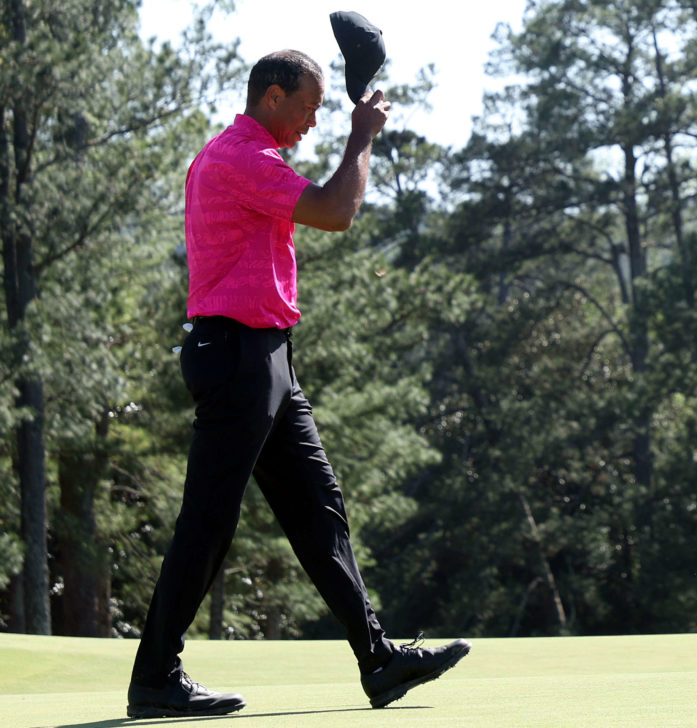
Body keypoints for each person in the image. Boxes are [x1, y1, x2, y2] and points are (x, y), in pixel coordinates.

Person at [125, 50, 470, 719]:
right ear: (273, 97)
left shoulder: (246, 157)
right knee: (210, 520)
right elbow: (338, 211)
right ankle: (154, 677)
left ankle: (377, 660)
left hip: (265, 357)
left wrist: (351, 133)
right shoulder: (240, 158)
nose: (314, 120)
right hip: (237, 356)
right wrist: (361, 136)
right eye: (308, 107)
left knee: (320, 510)